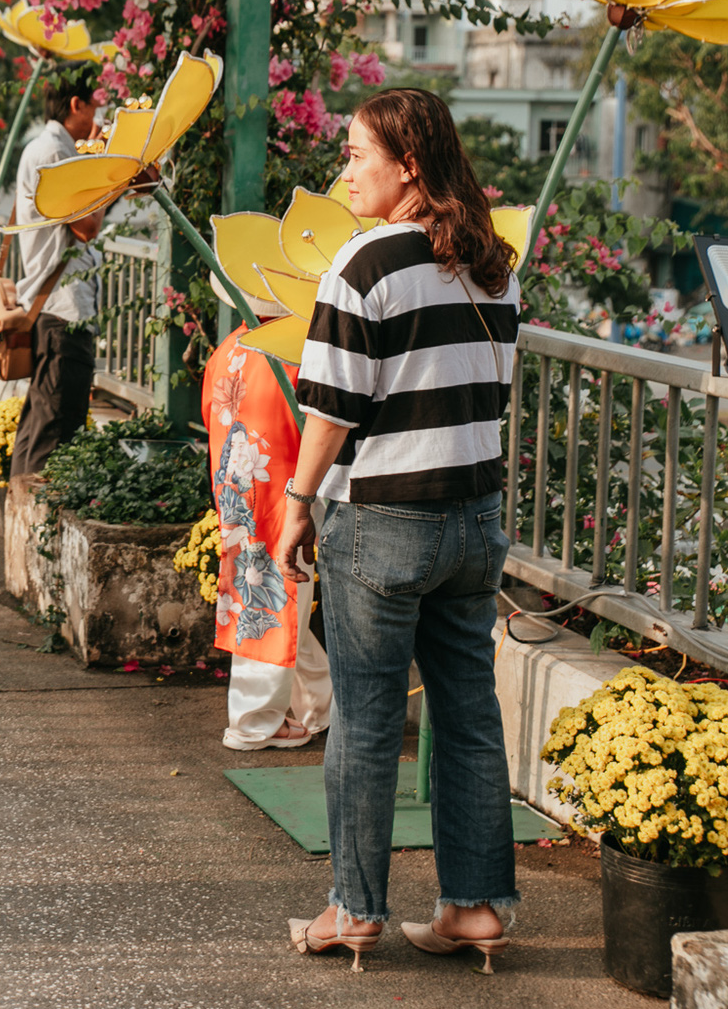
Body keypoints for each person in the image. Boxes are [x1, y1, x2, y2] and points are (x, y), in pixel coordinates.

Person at [274, 88, 521, 973]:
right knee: (468, 715)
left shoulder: (363, 266)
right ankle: (476, 908)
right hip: (474, 519)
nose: (344, 170)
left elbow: (334, 412)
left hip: (382, 521)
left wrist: (298, 503)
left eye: (356, 153)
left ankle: (355, 909)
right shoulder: (494, 263)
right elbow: (490, 397)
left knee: (369, 720)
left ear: (407, 164)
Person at [201, 325, 332, 750]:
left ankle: (321, 702)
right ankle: (254, 721)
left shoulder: (231, 345)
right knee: (275, 598)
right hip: (284, 486)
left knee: (263, 596)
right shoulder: (296, 349)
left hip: (238, 481)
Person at [7, 75, 104, 479]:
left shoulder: (49, 148)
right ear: (77, 104)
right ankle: (32, 528)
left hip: (54, 305)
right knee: (56, 430)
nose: (99, 114)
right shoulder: (54, 153)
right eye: (96, 104)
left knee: (41, 422)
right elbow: (86, 225)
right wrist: (104, 160)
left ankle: (20, 521)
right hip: (63, 307)